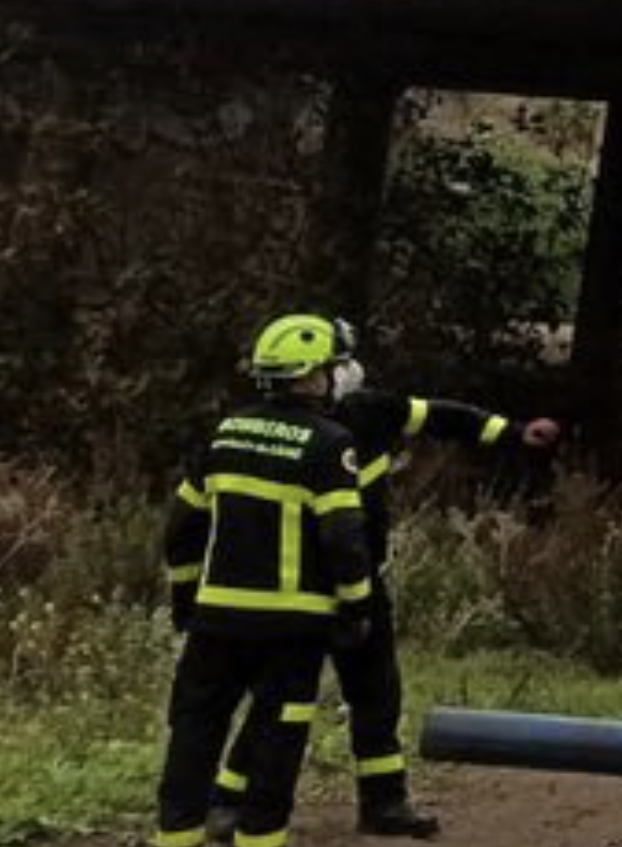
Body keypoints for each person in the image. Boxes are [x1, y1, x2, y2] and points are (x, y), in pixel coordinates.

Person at [214, 320, 562, 840]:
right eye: (338, 362)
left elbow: (440, 416)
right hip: (301, 590)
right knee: (280, 699)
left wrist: (512, 433)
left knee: (377, 694)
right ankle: (229, 801)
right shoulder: (278, 431)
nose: (348, 370)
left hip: (363, 582)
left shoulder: (369, 412)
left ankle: (384, 801)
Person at [153, 315, 376, 847]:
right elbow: (344, 537)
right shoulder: (330, 443)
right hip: (292, 630)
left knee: (194, 733)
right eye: (330, 367)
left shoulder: (225, 432)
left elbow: (181, 528)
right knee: (277, 746)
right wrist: (357, 607)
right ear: (309, 377)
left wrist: (186, 596)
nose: (336, 376)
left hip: (216, 622)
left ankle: (175, 838)